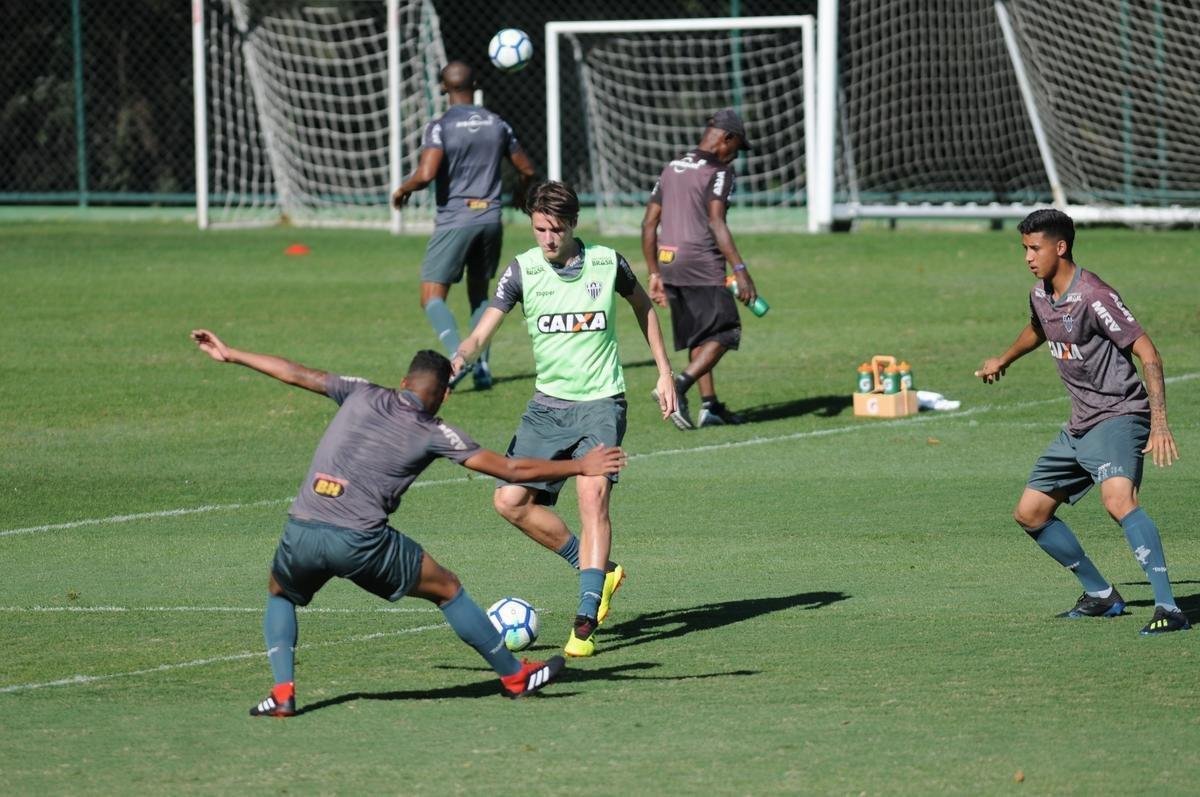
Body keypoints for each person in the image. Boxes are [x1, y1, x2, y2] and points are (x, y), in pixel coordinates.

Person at [190, 330, 629, 716]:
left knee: (280, 593)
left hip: (302, 527)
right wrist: (579, 466)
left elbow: (297, 373)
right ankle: (515, 677)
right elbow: (510, 471)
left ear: (403, 382)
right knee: (449, 589)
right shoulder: (436, 431)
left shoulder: (361, 392)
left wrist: (232, 354)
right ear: (443, 395)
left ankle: (282, 692)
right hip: (361, 540)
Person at [452, 181, 677, 657]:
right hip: (546, 408)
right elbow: (480, 333)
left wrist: (664, 372)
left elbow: (644, 307)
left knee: (592, 497)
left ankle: (585, 620)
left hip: (601, 403)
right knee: (510, 501)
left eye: (556, 229)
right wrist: (460, 358)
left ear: (572, 224)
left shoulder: (606, 262)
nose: (548, 239)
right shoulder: (522, 270)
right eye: (539, 229)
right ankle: (598, 569)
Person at [975, 208, 1188, 635]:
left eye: (1034, 249)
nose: (1028, 258)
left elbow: (1149, 353)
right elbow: (1039, 328)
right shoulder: (1041, 293)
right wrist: (1005, 358)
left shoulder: (1095, 295)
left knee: (1119, 502)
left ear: (1061, 247)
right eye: (1024, 249)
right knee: (1030, 513)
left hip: (1119, 415)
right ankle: (1101, 595)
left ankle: (1169, 607)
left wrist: (1160, 422)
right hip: (1080, 424)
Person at [391, 61, 536, 390]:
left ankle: (458, 358)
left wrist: (402, 189)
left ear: (443, 88)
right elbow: (527, 169)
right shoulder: (497, 123)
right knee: (480, 297)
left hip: (455, 220)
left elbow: (427, 173)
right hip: (491, 220)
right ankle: (483, 368)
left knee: (431, 296)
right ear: (477, 83)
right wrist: (519, 193)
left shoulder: (440, 125)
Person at [640, 108, 756, 429]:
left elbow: (649, 224)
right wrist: (741, 269)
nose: (735, 156)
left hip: (669, 262)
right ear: (726, 138)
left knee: (699, 335)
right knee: (726, 331)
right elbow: (716, 220)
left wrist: (654, 272)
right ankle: (679, 385)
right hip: (700, 261)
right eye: (737, 148)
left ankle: (711, 407)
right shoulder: (718, 172)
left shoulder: (672, 166)